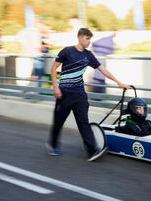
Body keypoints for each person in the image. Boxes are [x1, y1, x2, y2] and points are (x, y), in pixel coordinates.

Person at [47, 27, 130, 160]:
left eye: (90, 39)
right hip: (65, 94)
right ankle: (53, 145)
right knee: (58, 121)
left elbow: (103, 70)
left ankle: (92, 150)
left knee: (84, 122)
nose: (89, 41)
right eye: (87, 38)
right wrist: (55, 87)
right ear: (80, 38)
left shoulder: (88, 55)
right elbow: (53, 68)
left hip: (80, 95)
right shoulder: (67, 51)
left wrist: (119, 83)